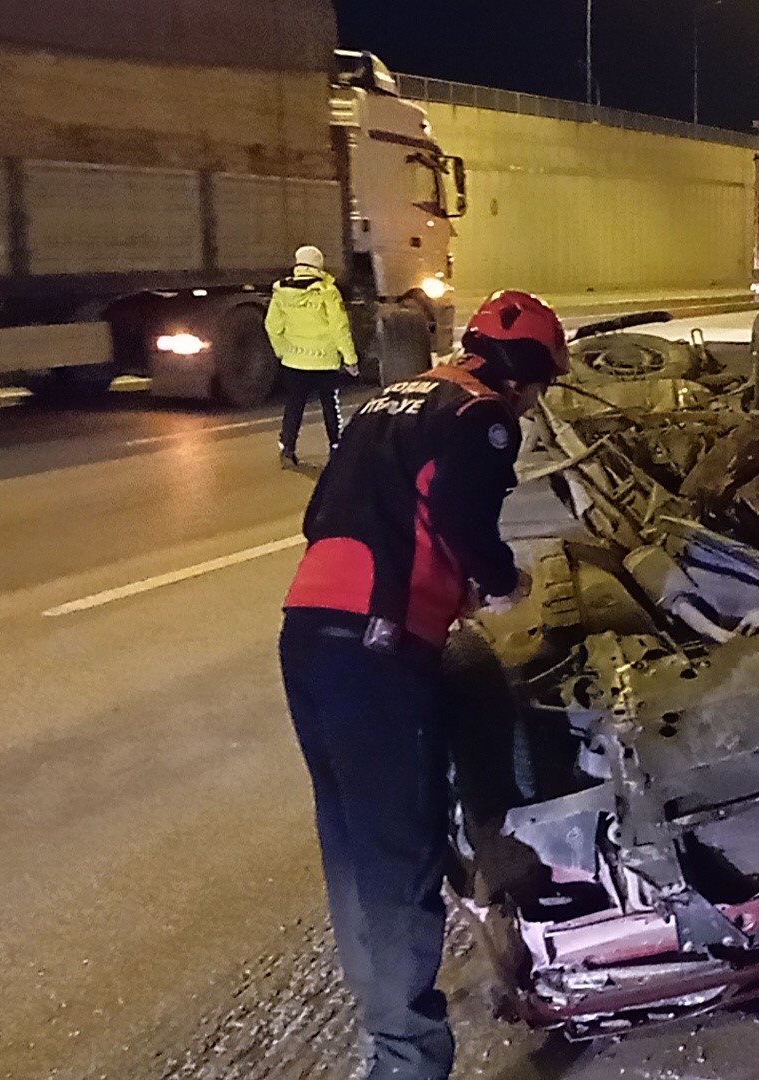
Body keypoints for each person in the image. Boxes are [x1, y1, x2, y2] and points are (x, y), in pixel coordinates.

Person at [278, 289, 567, 1080]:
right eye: (540, 386)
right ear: (527, 374)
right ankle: (404, 1065)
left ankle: (390, 1041)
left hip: (308, 631)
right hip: (378, 649)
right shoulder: (485, 416)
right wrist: (498, 581)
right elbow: (459, 513)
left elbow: (324, 516)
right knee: (400, 864)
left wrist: (432, 580)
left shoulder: (391, 400)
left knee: (355, 848)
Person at [266, 244, 360, 467]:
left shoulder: (281, 291)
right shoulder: (327, 291)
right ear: (318, 264)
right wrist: (350, 359)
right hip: (325, 361)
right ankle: (336, 446)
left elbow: (272, 326)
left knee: (294, 404)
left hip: (295, 361)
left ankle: (288, 448)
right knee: (330, 403)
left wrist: (282, 351)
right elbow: (339, 328)